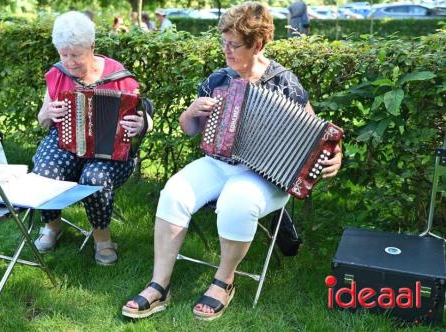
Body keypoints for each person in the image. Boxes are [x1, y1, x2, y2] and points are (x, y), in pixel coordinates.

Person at [122, 1, 341, 320]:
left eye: (234, 44)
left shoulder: (284, 82)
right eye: (223, 42)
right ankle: (160, 285)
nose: (226, 50)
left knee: (238, 200)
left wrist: (333, 157)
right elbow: (189, 130)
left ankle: (224, 281)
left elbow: (319, 134)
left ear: (259, 44)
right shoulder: (218, 79)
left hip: (264, 176)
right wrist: (190, 114)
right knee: (174, 191)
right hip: (218, 163)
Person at [33, 11, 153, 266]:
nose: (69, 62)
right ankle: (52, 227)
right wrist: (47, 112)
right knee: (45, 170)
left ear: (92, 47)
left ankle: (102, 239)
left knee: (95, 178)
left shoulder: (120, 77)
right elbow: (43, 121)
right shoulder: (56, 74)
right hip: (66, 143)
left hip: (109, 150)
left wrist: (142, 123)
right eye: (63, 54)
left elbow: (145, 118)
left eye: (75, 54)